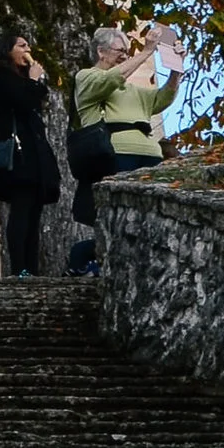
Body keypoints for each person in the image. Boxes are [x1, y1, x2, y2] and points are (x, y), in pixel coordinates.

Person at [68, 20, 186, 268]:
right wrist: (146, 52)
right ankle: (83, 259)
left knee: (148, 221)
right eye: (120, 51)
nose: (125, 56)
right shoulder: (87, 77)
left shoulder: (131, 88)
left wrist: (176, 70)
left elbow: (161, 99)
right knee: (119, 221)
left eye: (126, 52)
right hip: (115, 156)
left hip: (149, 157)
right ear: (101, 52)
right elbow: (110, 79)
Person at [0, 30, 61, 278]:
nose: (27, 50)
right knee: (21, 209)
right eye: (21, 45)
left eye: (28, 45)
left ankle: (32, 269)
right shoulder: (0, 77)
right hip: (18, 155)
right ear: (8, 50)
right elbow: (22, 101)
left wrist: (34, 80)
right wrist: (33, 80)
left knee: (34, 212)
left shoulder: (24, 78)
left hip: (34, 154)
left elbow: (37, 100)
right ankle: (19, 269)